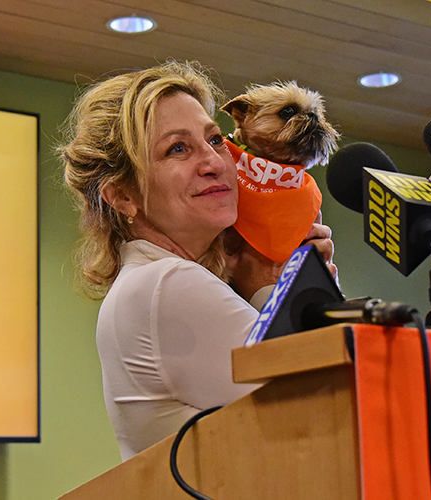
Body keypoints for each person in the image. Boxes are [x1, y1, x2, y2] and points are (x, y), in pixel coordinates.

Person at [60, 60, 336, 461]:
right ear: (122, 195)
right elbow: (330, 407)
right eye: (177, 149)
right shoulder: (166, 283)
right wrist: (269, 286)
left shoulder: (153, 280)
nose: (214, 162)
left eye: (216, 139)